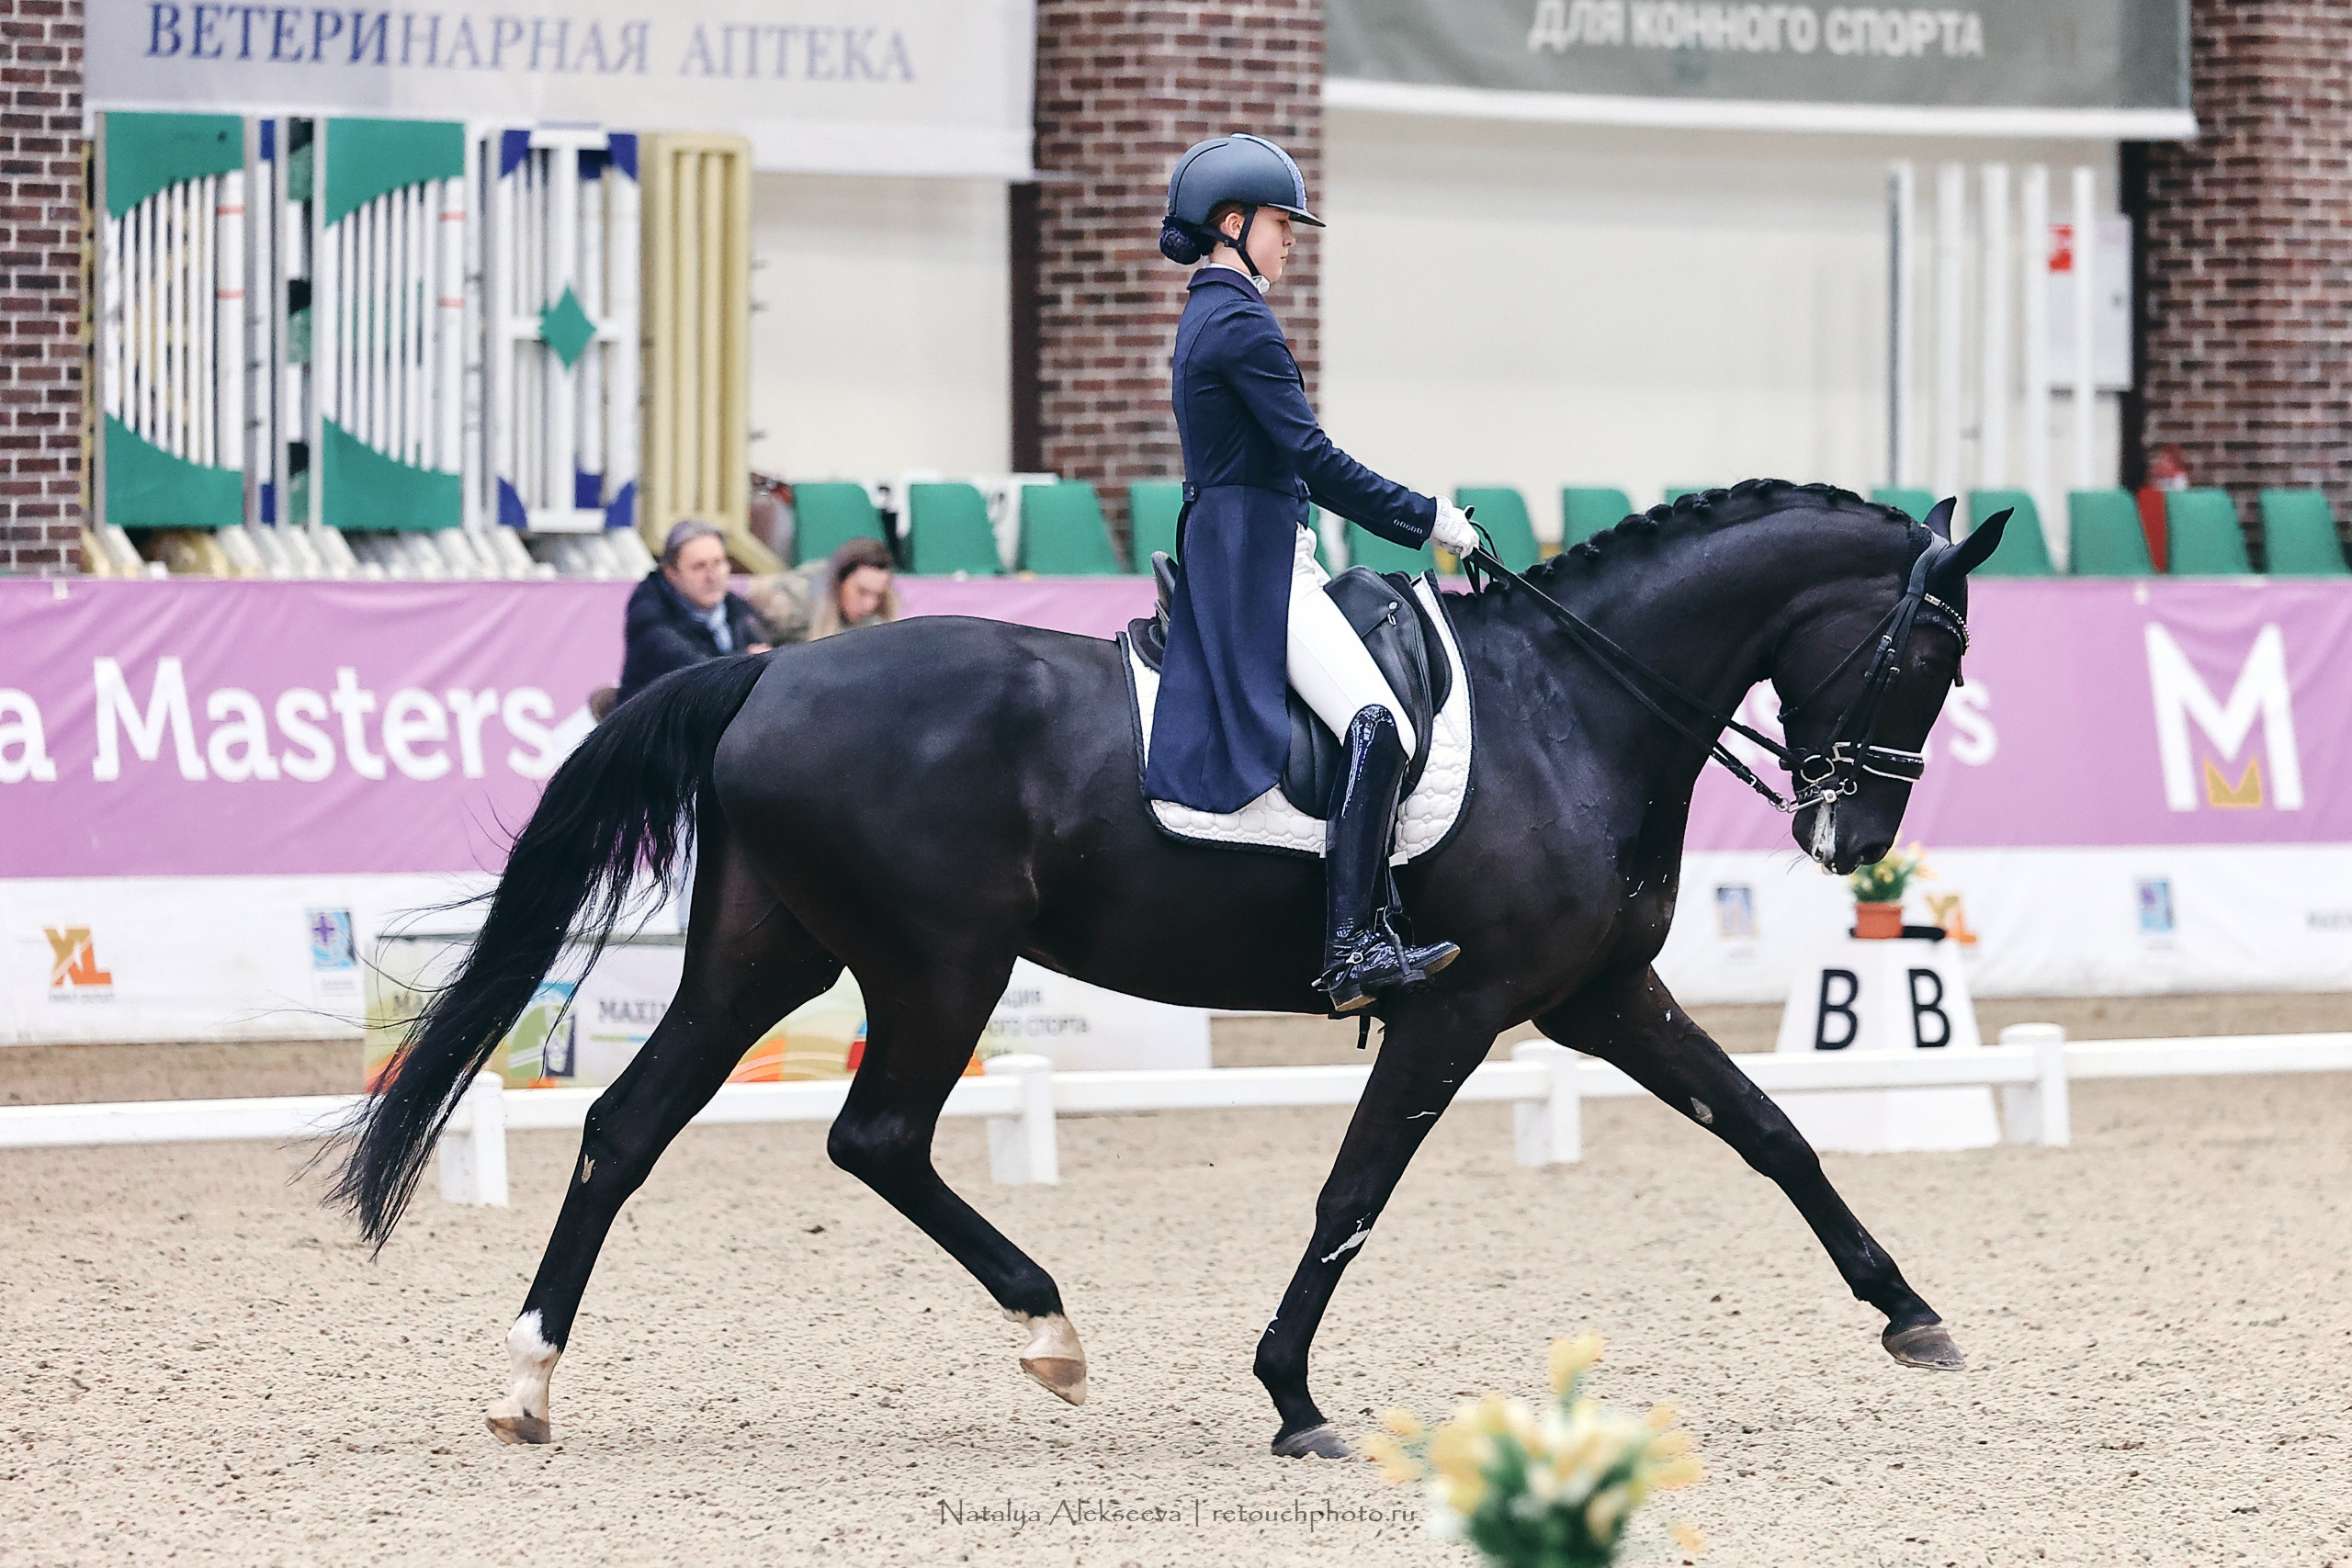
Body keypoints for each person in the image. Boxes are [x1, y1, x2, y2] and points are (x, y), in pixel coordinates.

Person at [1148, 133, 1483, 1013]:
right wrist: (1431, 520)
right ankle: (1352, 945)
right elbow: (1316, 460)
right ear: (1232, 224)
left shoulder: (1210, 311)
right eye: (1278, 222)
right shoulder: (1239, 321)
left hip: (1248, 542)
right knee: (1377, 719)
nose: (1291, 239)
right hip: (1255, 561)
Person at [616, 521, 771, 705]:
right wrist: (747, 661)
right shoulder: (649, 614)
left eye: (718, 563)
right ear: (671, 573)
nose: (712, 577)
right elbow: (692, 670)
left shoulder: (735, 608)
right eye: (699, 567)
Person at [741, 536, 904, 646]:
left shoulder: (879, 616)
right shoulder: (792, 605)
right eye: (862, 592)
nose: (869, 604)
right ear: (839, 581)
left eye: (877, 595)